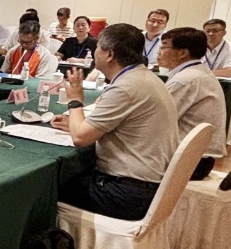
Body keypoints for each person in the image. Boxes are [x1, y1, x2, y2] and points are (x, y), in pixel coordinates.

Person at [53, 24, 179, 220]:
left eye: (97, 47)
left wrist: (75, 100)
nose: (94, 51)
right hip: (146, 185)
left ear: (110, 54)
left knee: (47, 187)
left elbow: (80, 138)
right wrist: (76, 122)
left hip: (127, 192)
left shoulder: (126, 87)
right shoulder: (144, 78)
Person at [159, 28, 227, 180]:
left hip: (188, 162)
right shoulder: (198, 72)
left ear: (183, 53)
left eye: (164, 46)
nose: (159, 52)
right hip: (198, 159)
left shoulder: (185, 80)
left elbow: (157, 120)